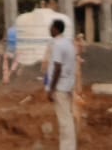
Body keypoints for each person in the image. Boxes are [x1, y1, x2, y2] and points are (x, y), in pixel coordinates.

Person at [46, 20, 77, 150]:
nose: (49, 30)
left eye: (51, 27)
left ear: (56, 29)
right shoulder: (69, 43)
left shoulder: (58, 45)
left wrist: (51, 89)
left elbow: (57, 67)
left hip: (60, 87)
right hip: (68, 85)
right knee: (67, 118)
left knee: (65, 122)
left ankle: (68, 147)